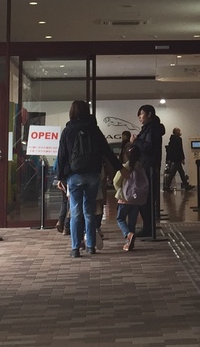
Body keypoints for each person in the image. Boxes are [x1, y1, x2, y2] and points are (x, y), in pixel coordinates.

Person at [55, 100, 120, 257]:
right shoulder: (94, 129)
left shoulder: (68, 130)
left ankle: (75, 248)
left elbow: (62, 155)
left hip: (74, 175)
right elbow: (107, 150)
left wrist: (60, 177)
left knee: (75, 212)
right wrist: (120, 168)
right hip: (93, 175)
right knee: (89, 211)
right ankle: (91, 246)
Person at [133, 105, 165, 238]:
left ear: (149, 114)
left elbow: (148, 148)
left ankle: (149, 229)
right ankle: (147, 227)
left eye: (141, 114)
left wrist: (136, 141)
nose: (139, 117)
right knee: (144, 199)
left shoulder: (153, 129)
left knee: (146, 199)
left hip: (149, 168)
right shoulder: (148, 129)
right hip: (145, 167)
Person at [114, 144, 148, 251]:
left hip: (124, 199)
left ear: (126, 155)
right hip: (136, 199)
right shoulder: (141, 167)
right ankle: (129, 243)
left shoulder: (125, 167)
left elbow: (116, 181)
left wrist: (119, 190)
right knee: (132, 223)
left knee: (120, 218)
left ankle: (127, 234)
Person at [163, 127, 192, 191]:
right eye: (179, 131)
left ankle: (185, 185)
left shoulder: (172, 139)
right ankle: (167, 185)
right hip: (177, 158)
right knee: (174, 172)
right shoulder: (178, 139)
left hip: (174, 158)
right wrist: (182, 158)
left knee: (180, 172)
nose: (180, 132)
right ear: (176, 132)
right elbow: (180, 149)